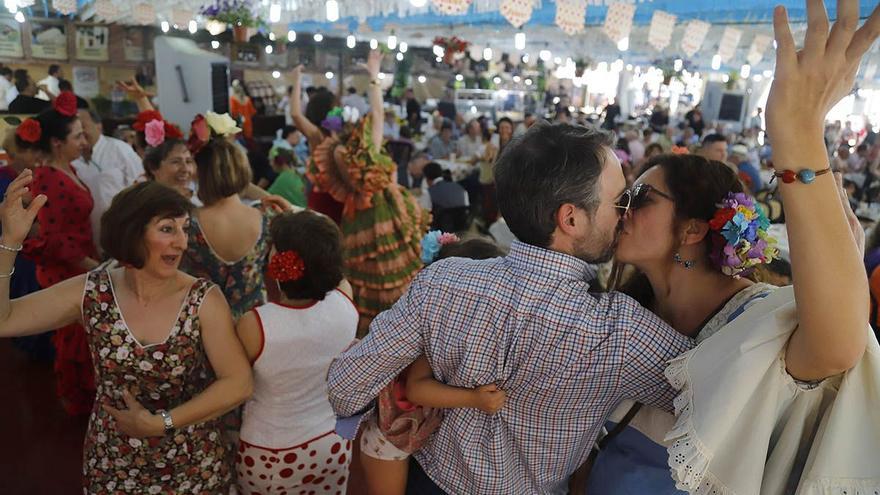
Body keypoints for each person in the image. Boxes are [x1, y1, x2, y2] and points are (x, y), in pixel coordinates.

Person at [590, 2, 880, 492]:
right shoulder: (624, 310)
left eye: (641, 197)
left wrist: (800, 131)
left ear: (693, 230)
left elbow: (837, 348)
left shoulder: (756, 323)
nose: (624, 208)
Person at [327, 120, 693, 493]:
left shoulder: (443, 281)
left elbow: (345, 386)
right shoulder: (621, 331)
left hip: (429, 482)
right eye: (620, 202)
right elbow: (717, 397)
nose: (626, 214)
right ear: (570, 219)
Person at [0, 178, 253, 493]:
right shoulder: (92, 291)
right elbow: (5, 319)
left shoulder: (203, 298)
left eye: (184, 229)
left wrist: (161, 423)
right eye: (166, 229)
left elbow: (239, 382)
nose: (182, 242)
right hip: (114, 464)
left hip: (193, 465)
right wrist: (10, 240)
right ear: (132, 232)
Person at [359, 233, 506, 495]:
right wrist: (475, 399)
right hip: (392, 433)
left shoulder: (461, 324)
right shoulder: (435, 331)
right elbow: (416, 389)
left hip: (416, 429)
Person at [291, 50, 427, 332]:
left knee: (360, 280)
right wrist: (374, 76)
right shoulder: (364, 154)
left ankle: (364, 333)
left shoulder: (330, 150)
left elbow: (296, 114)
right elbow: (377, 115)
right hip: (386, 215)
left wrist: (297, 81)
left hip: (354, 219)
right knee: (396, 275)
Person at [234, 210, 357, 494]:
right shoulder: (343, 299)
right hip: (331, 441)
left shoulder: (257, 324)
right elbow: (328, 250)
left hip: (272, 450)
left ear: (280, 263)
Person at [22, 97, 100, 415]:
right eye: (77, 136)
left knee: (81, 334)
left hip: (80, 264)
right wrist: (92, 265)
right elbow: (52, 239)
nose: (84, 142)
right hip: (68, 269)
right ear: (56, 143)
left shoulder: (66, 169)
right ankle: (77, 397)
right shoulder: (47, 180)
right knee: (73, 335)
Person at [181, 113, 274, 320]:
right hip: (255, 324)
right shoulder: (266, 218)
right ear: (242, 168)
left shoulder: (186, 223)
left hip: (204, 324)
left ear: (200, 174)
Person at [1, 124, 50, 360]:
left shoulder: (41, 175)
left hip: (38, 251)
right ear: (16, 151)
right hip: (16, 253)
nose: (36, 155)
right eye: (30, 150)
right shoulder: (3, 179)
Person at [72, 107, 146, 252]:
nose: (80, 134)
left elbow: (141, 190)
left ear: (98, 126)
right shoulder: (71, 157)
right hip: (84, 241)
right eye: (75, 130)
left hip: (122, 237)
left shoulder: (120, 150)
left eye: (83, 126)